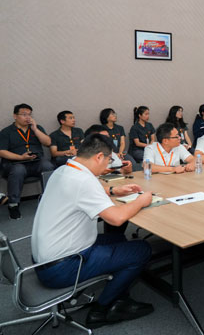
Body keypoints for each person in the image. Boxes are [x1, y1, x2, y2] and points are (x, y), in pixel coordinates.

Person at [31, 133, 154, 329]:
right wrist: (141, 201)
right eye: (108, 160)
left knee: (117, 239)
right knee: (142, 249)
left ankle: (119, 294)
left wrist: (113, 191)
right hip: (62, 268)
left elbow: (79, 193)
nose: (108, 166)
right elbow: (116, 218)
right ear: (99, 157)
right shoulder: (83, 181)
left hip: (44, 259)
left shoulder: (63, 170)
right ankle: (102, 310)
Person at [0, 103, 54, 219]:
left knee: (47, 166)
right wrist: (21, 158)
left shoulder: (37, 128)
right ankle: (13, 204)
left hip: (36, 162)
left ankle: (49, 199)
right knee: (18, 170)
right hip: (15, 163)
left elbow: (48, 143)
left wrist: (35, 129)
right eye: (24, 114)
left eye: (29, 115)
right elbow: (2, 151)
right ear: (15, 116)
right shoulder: (6, 132)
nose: (27, 117)